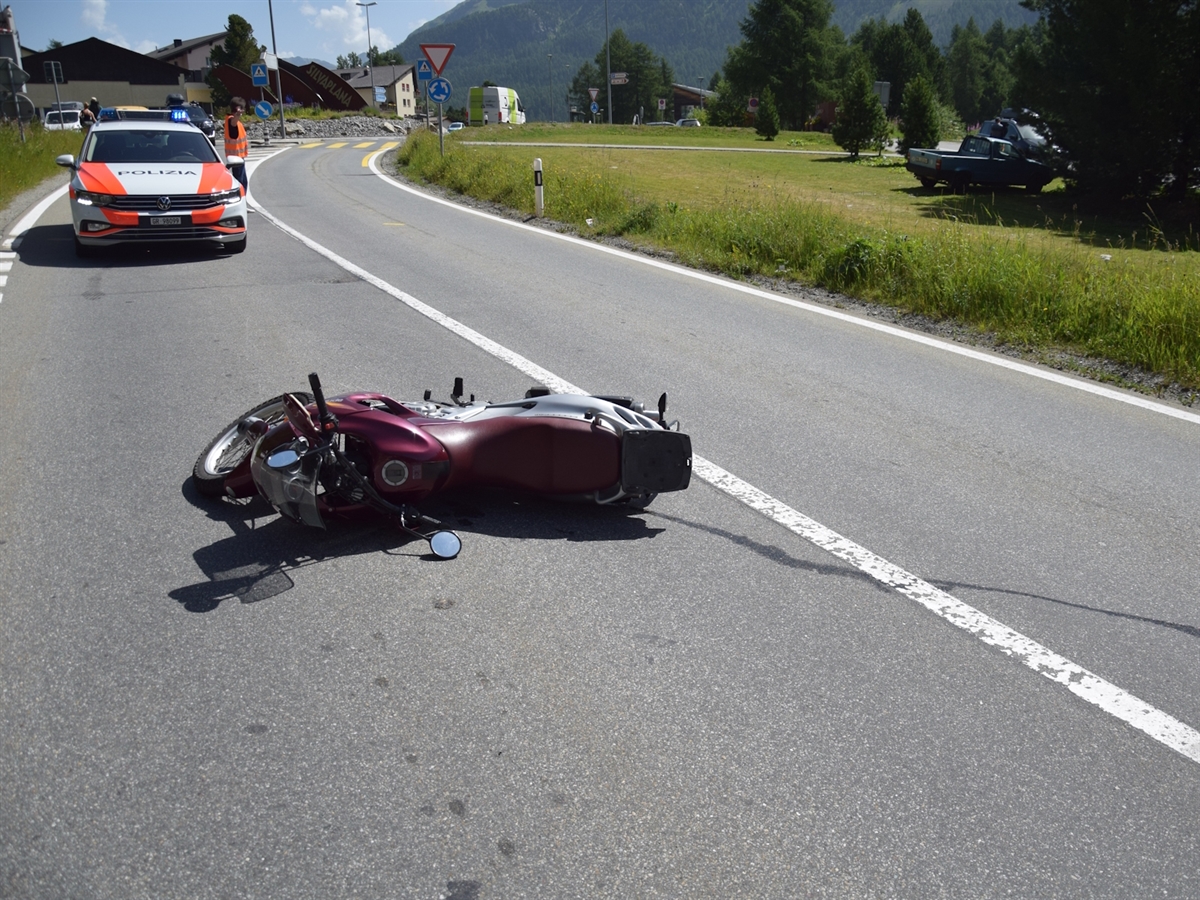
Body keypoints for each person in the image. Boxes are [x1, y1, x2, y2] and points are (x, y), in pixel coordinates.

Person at [224, 97, 249, 192]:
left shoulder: (230, 119)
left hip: (238, 157)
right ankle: (241, 201)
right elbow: (233, 123)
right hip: (236, 158)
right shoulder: (231, 120)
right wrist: (237, 115)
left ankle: (242, 200)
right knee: (240, 182)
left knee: (243, 181)